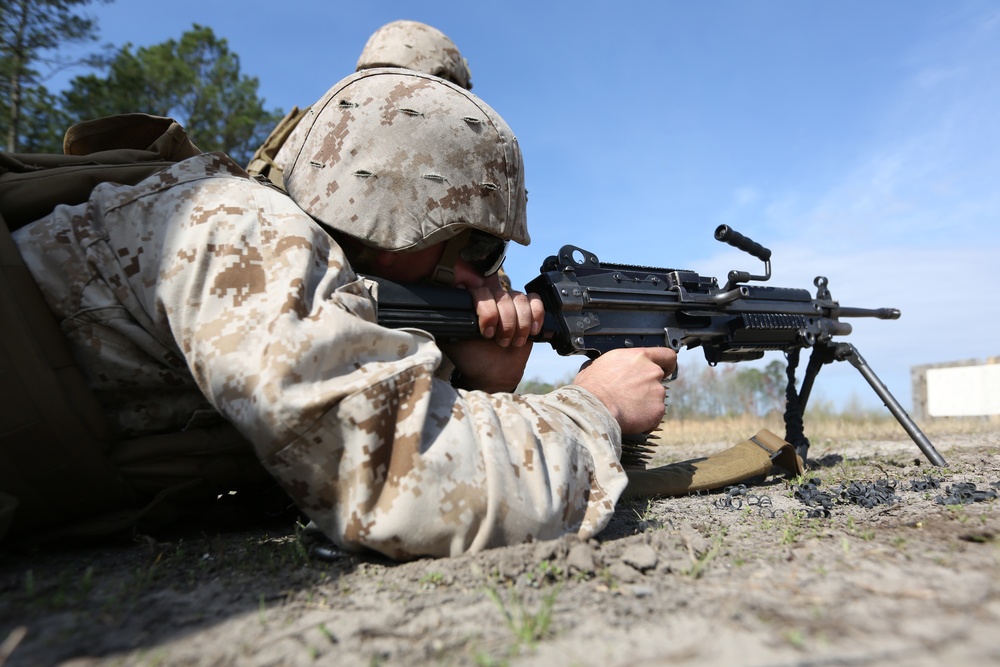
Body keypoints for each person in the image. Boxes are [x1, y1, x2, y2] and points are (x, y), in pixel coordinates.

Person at [8, 70, 676, 559]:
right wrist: (594, 407)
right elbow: (400, 483)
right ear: (402, 211)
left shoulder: (304, 272)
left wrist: (472, 380)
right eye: (477, 244)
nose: (484, 276)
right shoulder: (247, 231)